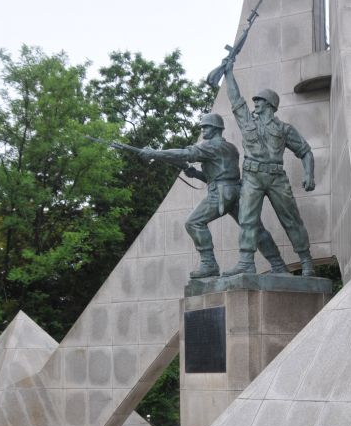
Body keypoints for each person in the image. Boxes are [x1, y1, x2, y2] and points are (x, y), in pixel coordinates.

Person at [112, 113, 289, 278]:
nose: (203, 130)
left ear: (216, 128)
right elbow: (220, 175)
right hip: (236, 192)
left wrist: (154, 153)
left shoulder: (211, 146)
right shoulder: (230, 147)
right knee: (255, 229)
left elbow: (186, 153)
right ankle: (278, 265)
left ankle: (209, 264)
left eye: (206, 127)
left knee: (193, 222)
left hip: (221, 194)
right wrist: (196, 174)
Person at [221, 60, 316, 277]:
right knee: (247, 219)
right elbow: (236, 99)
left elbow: (305, 151)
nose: (255, 103)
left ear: (270, 104)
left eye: (259, 101)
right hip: (252, 177)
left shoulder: (284, 129)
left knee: (291, 219)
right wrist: (229, 74)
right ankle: (246, 262)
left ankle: (306, 261)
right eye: (255, 101)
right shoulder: (247, 121)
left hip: (276, 177)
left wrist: (309, 174)